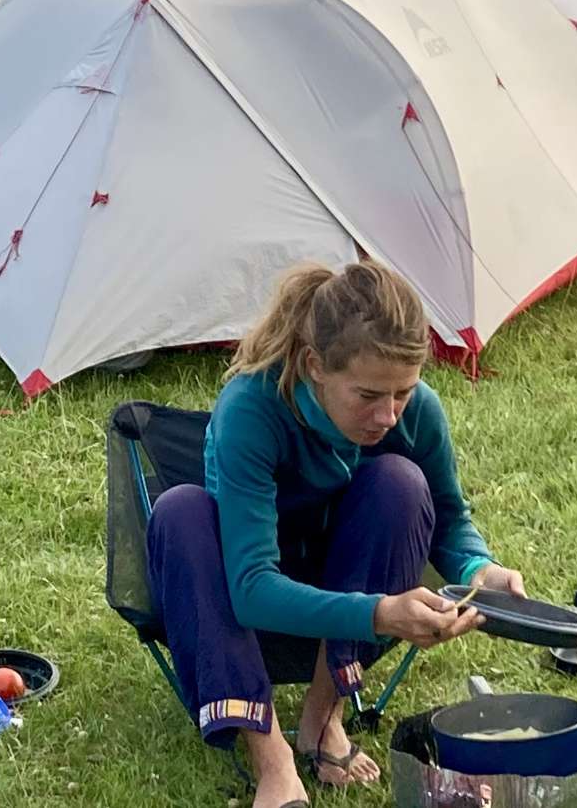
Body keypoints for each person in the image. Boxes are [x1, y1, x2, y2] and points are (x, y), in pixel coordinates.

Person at [145, 260, 528, 808]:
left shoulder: (415, 411)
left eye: (403, 393)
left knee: (401, 481)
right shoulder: (251, 409)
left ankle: (323, 720)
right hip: (238, 609)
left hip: (341, 593)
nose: (389, 415)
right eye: (369, 395)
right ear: (315, 365)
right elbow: (251, 587)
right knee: (181, 513)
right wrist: (380, 613)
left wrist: (477, 569)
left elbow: (448, 519)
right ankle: (274, 763)